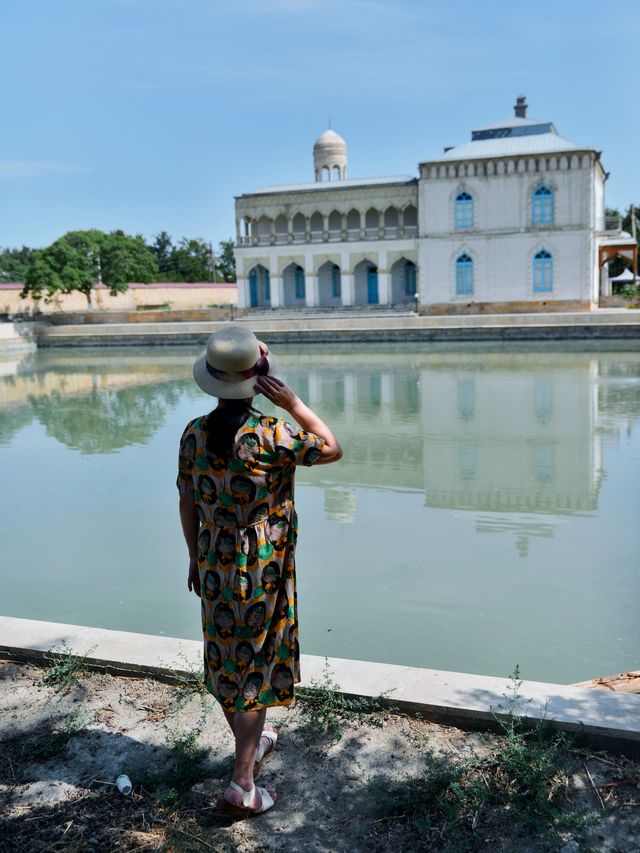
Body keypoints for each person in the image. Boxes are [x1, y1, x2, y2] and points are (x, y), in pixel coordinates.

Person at [177, 326, 342, 817]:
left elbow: (187, 501)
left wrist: (194, 556)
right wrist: (292, 402)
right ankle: (242, 784)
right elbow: (331, 447)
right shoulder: (273, 434)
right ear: (258, 380)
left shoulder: (193, 433)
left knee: (228, 655)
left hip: (213, 557)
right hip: (262, 564)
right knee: (257, 662)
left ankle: (252, 745)